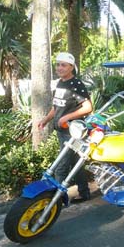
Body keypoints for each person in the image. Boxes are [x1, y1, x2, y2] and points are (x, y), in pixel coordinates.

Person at [38, 52, 93, 201]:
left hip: (72, 133)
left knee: (61, 166)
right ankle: (84, 192)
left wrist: (67, 117)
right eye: (58, 64)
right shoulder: (60, 83)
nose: (60, 67)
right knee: (76, 163)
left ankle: (54, 201)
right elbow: (56, 107)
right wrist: (46, 120)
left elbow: (88, 107)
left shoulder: (76, 84)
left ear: (71, 67)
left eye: (64, 65)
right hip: (62, 132)